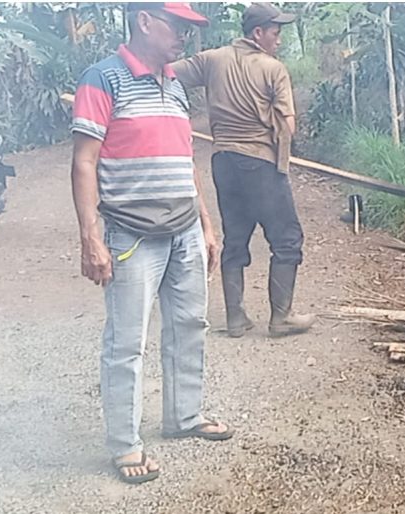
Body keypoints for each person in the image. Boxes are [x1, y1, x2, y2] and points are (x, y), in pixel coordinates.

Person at [70, 2, 234, 485]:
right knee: (127, 343)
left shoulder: (176, 84)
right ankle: (125, 444)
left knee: (190, 325)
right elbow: (84, 163)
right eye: (177, 26)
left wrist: (205, 224)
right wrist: (90, 238)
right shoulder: (102, 80)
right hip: (130, 234)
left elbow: (184, 160)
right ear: (144, 20)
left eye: (188, 28)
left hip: (183, 228)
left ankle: (183, 416)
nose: (184, 35)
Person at [171, 3, 315, 339]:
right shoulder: (273, 69)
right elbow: (287, 127)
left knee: (235, 239)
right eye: (276, 34)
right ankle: (282, 317)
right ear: (258, 33)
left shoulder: (211, 60)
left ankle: (236, 319)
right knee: (286, 239)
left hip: (224, 161)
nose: (278, 41)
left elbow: (166, 72)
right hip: (260, 163)